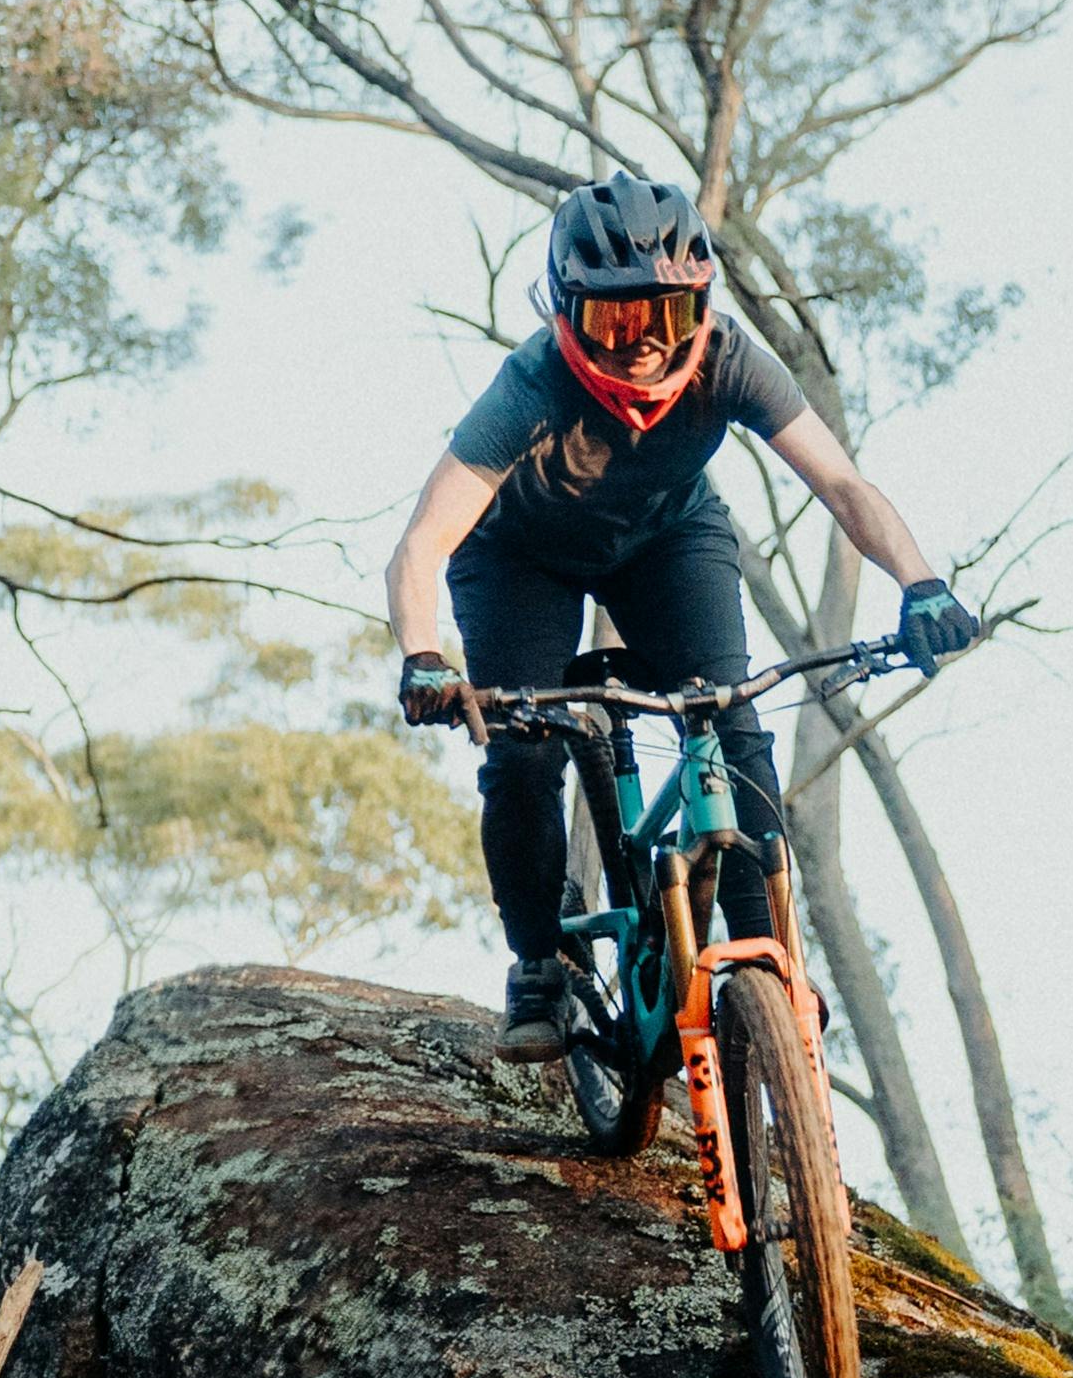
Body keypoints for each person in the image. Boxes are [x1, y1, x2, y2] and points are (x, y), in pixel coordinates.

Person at [383, 173, 979, 1062]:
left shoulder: (730, 361)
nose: (643, 349)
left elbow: (844, 484)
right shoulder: (531, 386)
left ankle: (770, 958)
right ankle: (539, 963)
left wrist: (921, 582)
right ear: (566, 313)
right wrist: (424, 655)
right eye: (614, 323)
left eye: (663, 317)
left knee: (730, 721)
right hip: (520, 559)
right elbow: (423, 540)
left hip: (668, 538)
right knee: (521, 756)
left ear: (700, 305)